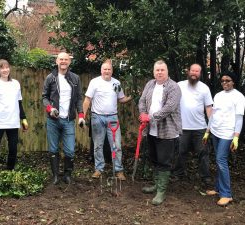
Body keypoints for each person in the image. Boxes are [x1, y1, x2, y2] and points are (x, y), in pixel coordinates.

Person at [138, 60, 182, 205]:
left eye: (162, 70)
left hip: (167, 130)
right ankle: (156, 185)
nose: (159, 72)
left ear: (167, 71)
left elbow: (169, 107)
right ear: (153, 71)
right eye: (157, 70)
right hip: (151, 130)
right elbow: (142, 100)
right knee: (154, 158)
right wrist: (143, 113)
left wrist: (150, 117)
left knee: (164, 161)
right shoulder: (150, 84)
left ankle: (161, 192)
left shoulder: (173, 87)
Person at [83, 59, 131, 181]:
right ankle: (99, 169)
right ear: (101, 70)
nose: (107, 71)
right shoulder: (94, 82)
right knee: (98, 145)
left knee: (117, 146)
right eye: (105, 69)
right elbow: (87, 100)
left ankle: (118, 170)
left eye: (109, 69)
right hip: (97, 117)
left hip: (112, 118)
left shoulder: (116, 83)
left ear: (112, 71)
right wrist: (82, 116)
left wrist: (132, 97)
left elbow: (121, 99)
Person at [203, 71, 245, 206]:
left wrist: (236, 137)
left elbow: (239, 119)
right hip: (215, 131)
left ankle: (227, 194)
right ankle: (218, 188)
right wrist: (207, 131)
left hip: (228, 133)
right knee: (218, 160)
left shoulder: (239, 97)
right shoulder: (218, 95)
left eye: (228, 80)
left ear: (233, 81)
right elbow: (213, 115)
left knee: (221, 160)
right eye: (222, 81)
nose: (225, 83)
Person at [42, 52, 84, 185]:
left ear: (69, 62)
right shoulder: (50, 78)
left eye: (66, 59)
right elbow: (44, 97)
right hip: (53, 120)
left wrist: (81, 115)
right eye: (61, 59)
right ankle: (55, 176)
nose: (63, 62)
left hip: (68, 120)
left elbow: (78, 98)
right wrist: (50, 109)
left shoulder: (75, 78)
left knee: (70, 150)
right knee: (53, 149)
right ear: (56, 61)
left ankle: (67, 175)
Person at [173, 64, 213, 187]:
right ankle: (178, 174)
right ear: (188, 71)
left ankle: (205, 177)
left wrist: (210, 125)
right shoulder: (179, 85)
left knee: (203, 152)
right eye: (192, 70)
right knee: (180, 151)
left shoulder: (204, 88)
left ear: (200, 73)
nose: (194, 73)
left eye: (197, 71)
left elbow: (208, 107)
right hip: (182, 127)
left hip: (200, 127)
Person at [0, 59, 28, 170]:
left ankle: (10, 171)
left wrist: (23, 119)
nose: (5, 70)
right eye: (2, 68)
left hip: (13, 122)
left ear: (9, 68)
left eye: (7, 67)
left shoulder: (16, 83)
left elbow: (19, 102)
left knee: (13, 149)